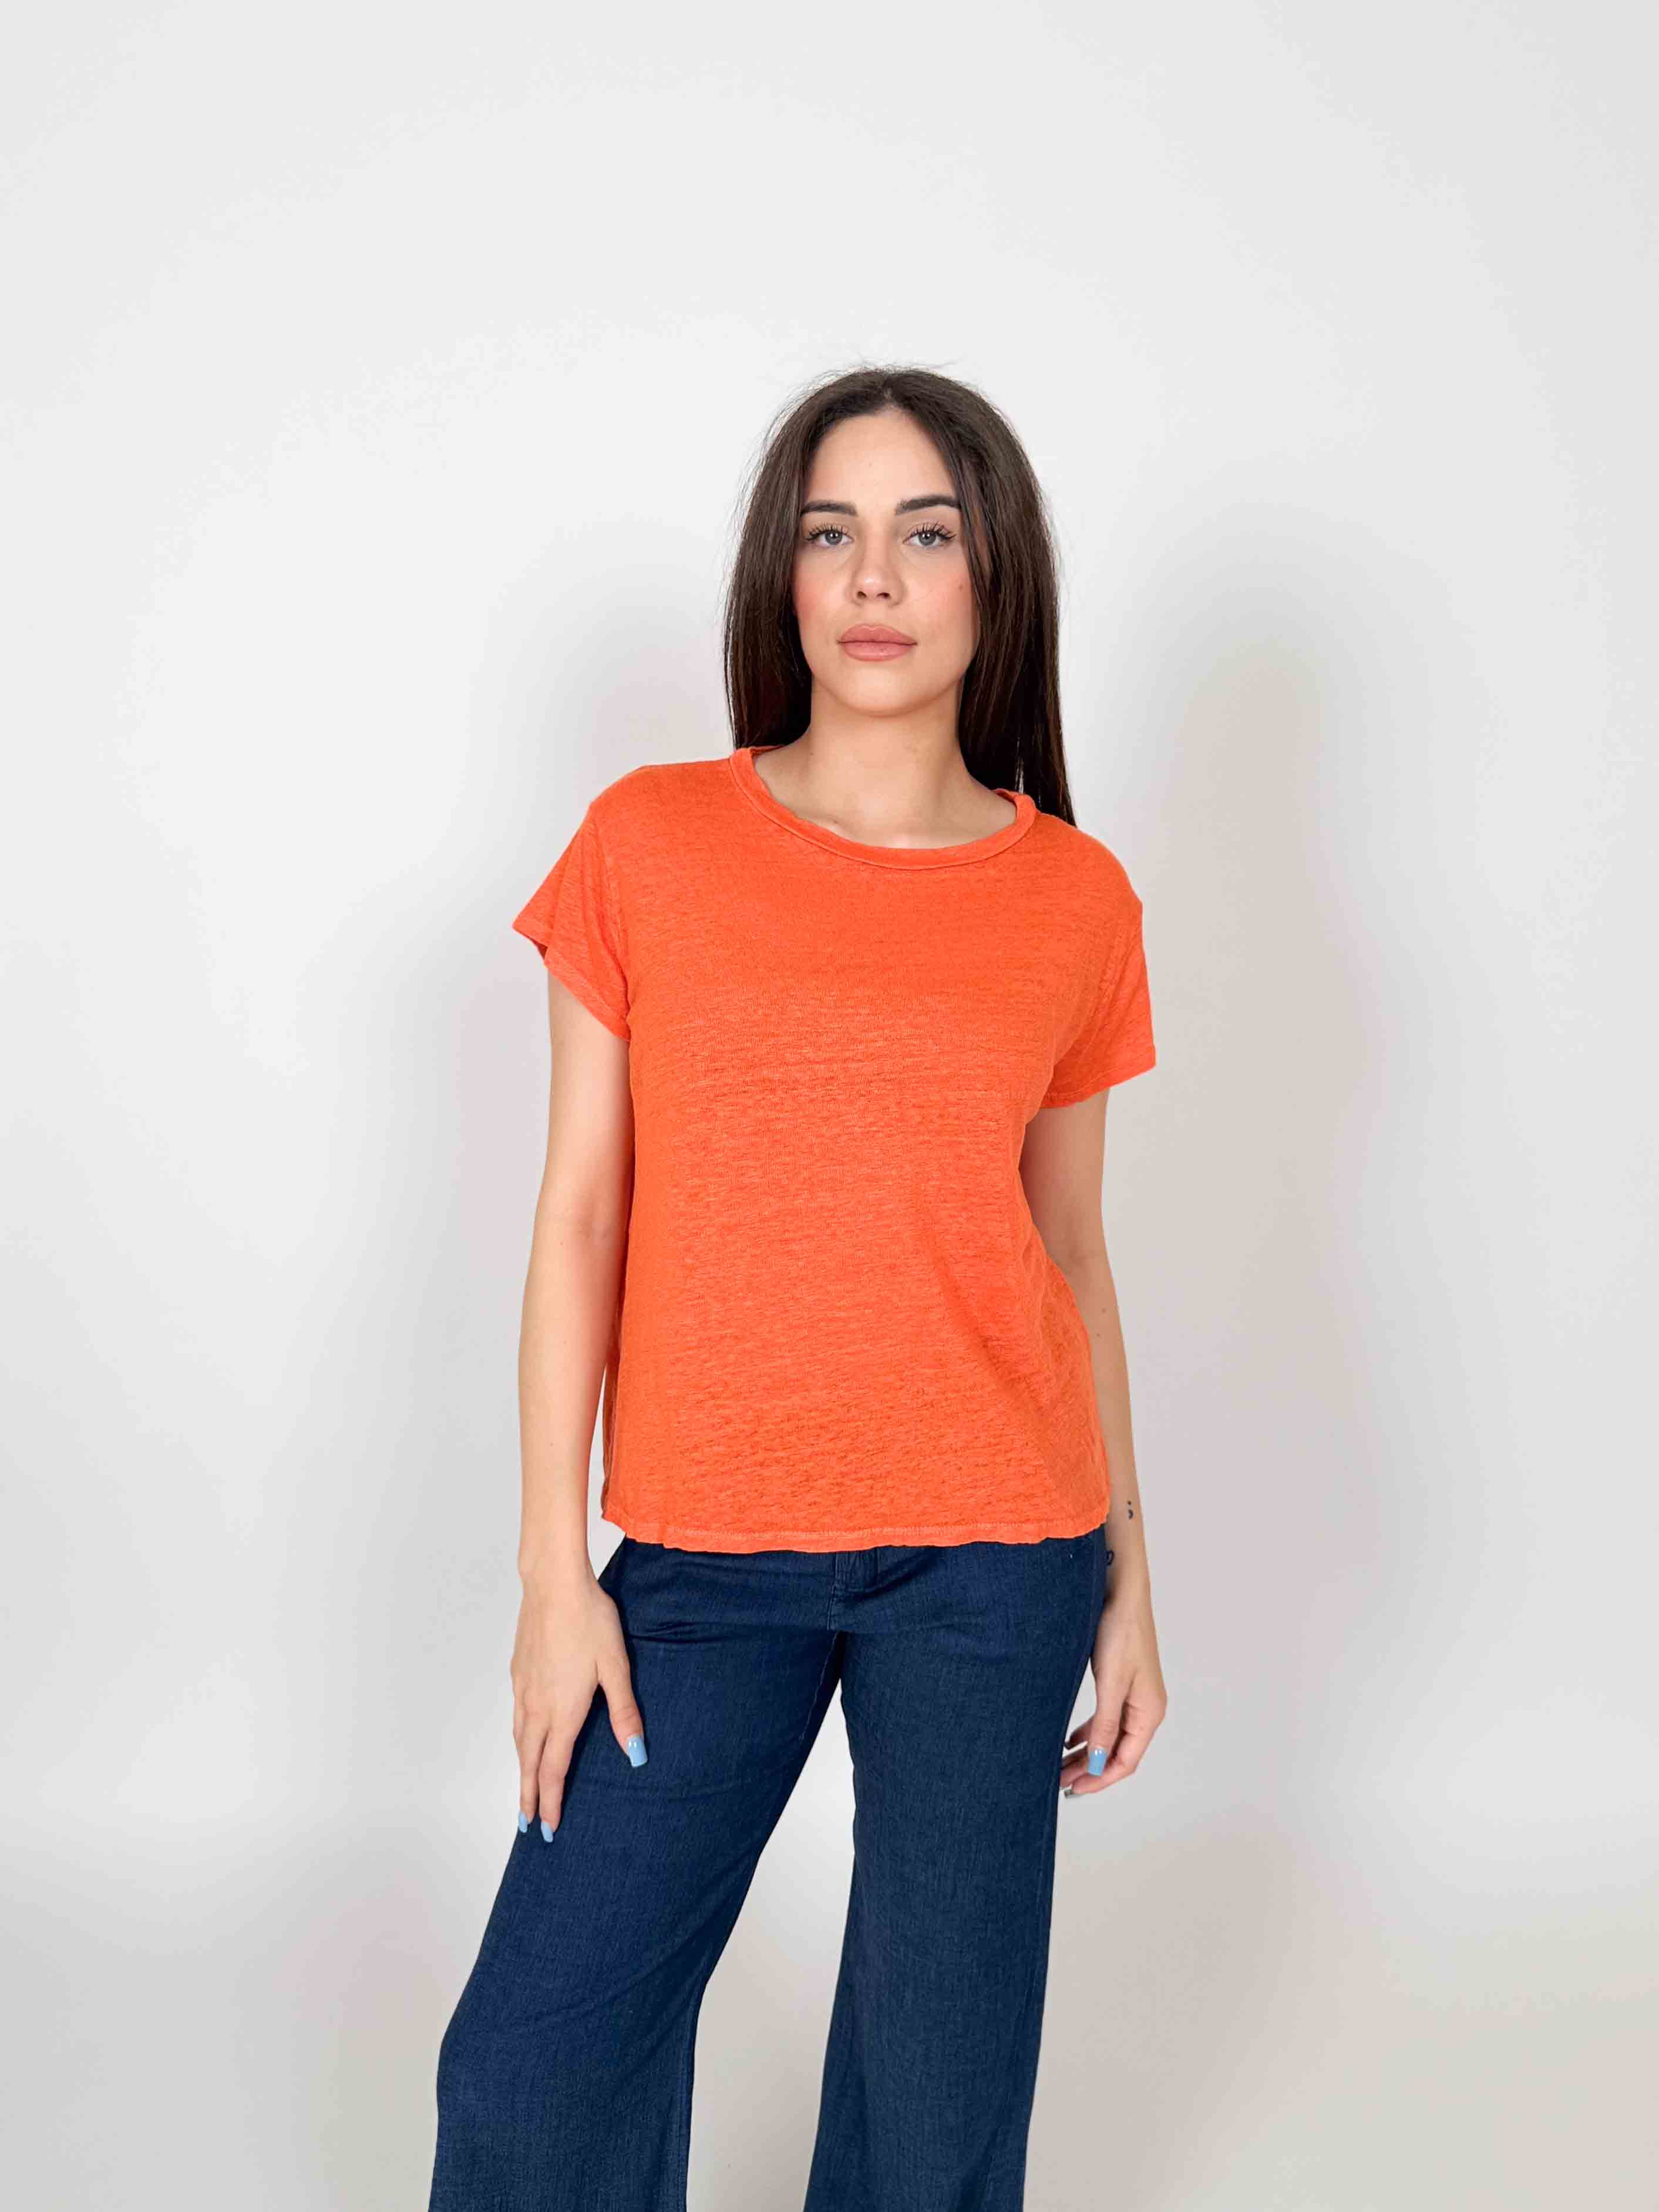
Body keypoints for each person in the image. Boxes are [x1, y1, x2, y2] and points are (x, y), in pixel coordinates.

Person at [426, 363, 1169, 2211]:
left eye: (926, 533)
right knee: (527, 2077)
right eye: (831, 532)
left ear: (994, 576)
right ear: (783, 572)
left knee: (933, 2114)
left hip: (994, 1559)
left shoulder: (1076, 900)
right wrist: (551, 1579)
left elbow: (1069, 1250)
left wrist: (1129, 1574)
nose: (874, 577)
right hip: (699, 1560)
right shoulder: (649, 842)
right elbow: (578, 1217)